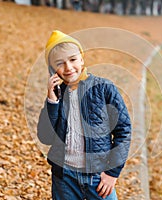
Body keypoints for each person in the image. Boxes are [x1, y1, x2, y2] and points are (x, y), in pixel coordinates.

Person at [37, 30, 132, 200]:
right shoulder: (56, 95)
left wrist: (112, 173)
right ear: (52, 69)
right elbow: (45, 137)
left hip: (98, 176)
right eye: (60, 63)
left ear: (81, 58)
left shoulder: (104, 88)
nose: (68, 67)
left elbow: (123, 131)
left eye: (73, 60)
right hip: (64, 177)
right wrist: (52, 102)